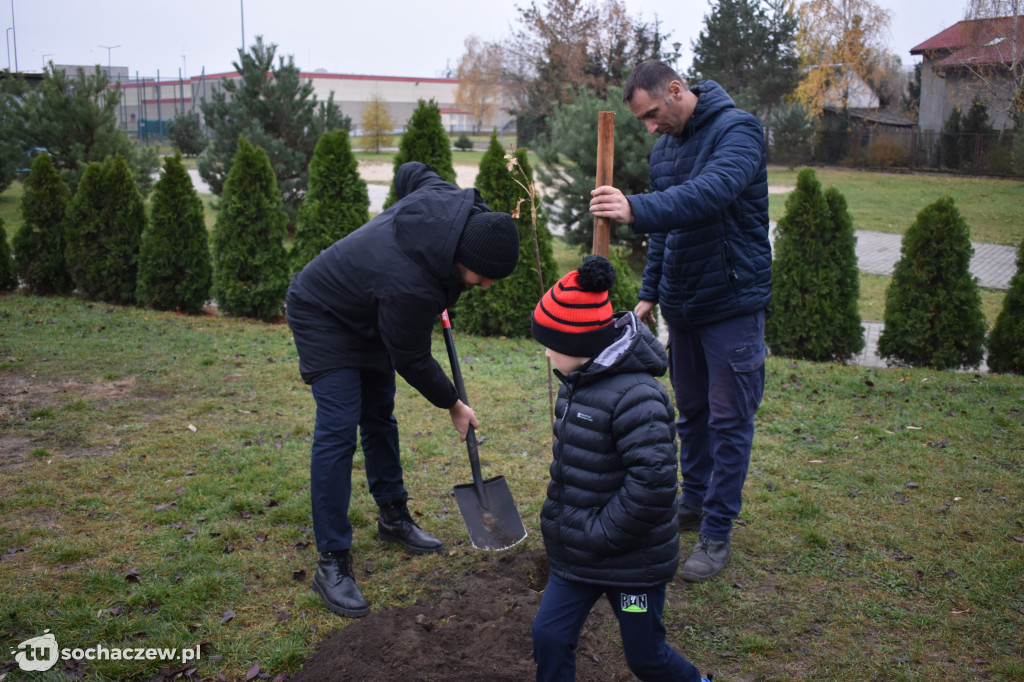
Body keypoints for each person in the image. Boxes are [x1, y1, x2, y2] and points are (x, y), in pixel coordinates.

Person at [286, 161, 520, 618]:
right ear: (462, 257)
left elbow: (413, 171)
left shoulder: (453, 207)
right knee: (338, 429)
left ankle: (393, 516)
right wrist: (453, 403)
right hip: (323, 311)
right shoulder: (411, 287)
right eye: (484, 276)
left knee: (379, 413)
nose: (487, 286)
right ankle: (332, 562)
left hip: (370, 307)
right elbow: (411, 358)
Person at [589, 60, 771, 583]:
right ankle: (693, 503)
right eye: (641, 121)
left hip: (732, 302)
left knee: (728, 418)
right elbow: (668, 230)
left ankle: (717, 531)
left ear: (675, 90)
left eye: (651, 114)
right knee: (688, 413)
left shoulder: (738, 130)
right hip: (684, 306)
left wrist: (634, 208)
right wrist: (649, 296)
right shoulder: (665, 147)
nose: (649, 128)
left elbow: (711, 192)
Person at [529, 256, 710, 682]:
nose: (547, 352)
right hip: (577, 555)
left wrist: (598, 533)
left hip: (631, 563)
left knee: (645, 656)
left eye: (551, 343)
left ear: (580, 344)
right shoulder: (577, 384)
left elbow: (654, 484)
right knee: (549, 638)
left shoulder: (638, 398)